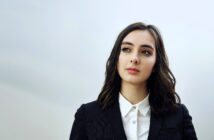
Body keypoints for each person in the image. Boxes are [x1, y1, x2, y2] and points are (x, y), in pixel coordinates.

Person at [69, 22, 198, 140]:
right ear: (117, 58)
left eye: (146, 52)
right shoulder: (87, 115)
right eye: (126, 49)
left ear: (156, 64)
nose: (134, 58)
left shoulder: (178, 116)